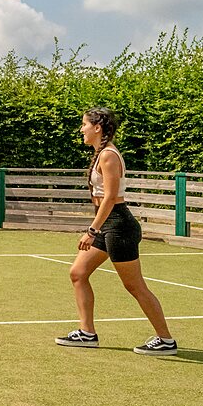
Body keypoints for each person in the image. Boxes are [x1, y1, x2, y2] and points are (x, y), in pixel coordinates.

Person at [56, 107, 178, 355]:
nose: (82, 129)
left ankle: (165, 340)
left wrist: (92, 230)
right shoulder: (101, 154)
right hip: (108, 225)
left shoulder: (109, 156)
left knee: (135, 286)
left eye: (84, 125)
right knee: (78, 273)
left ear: (97, 127)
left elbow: (111, 197)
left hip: (119, 226)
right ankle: (87, 333)